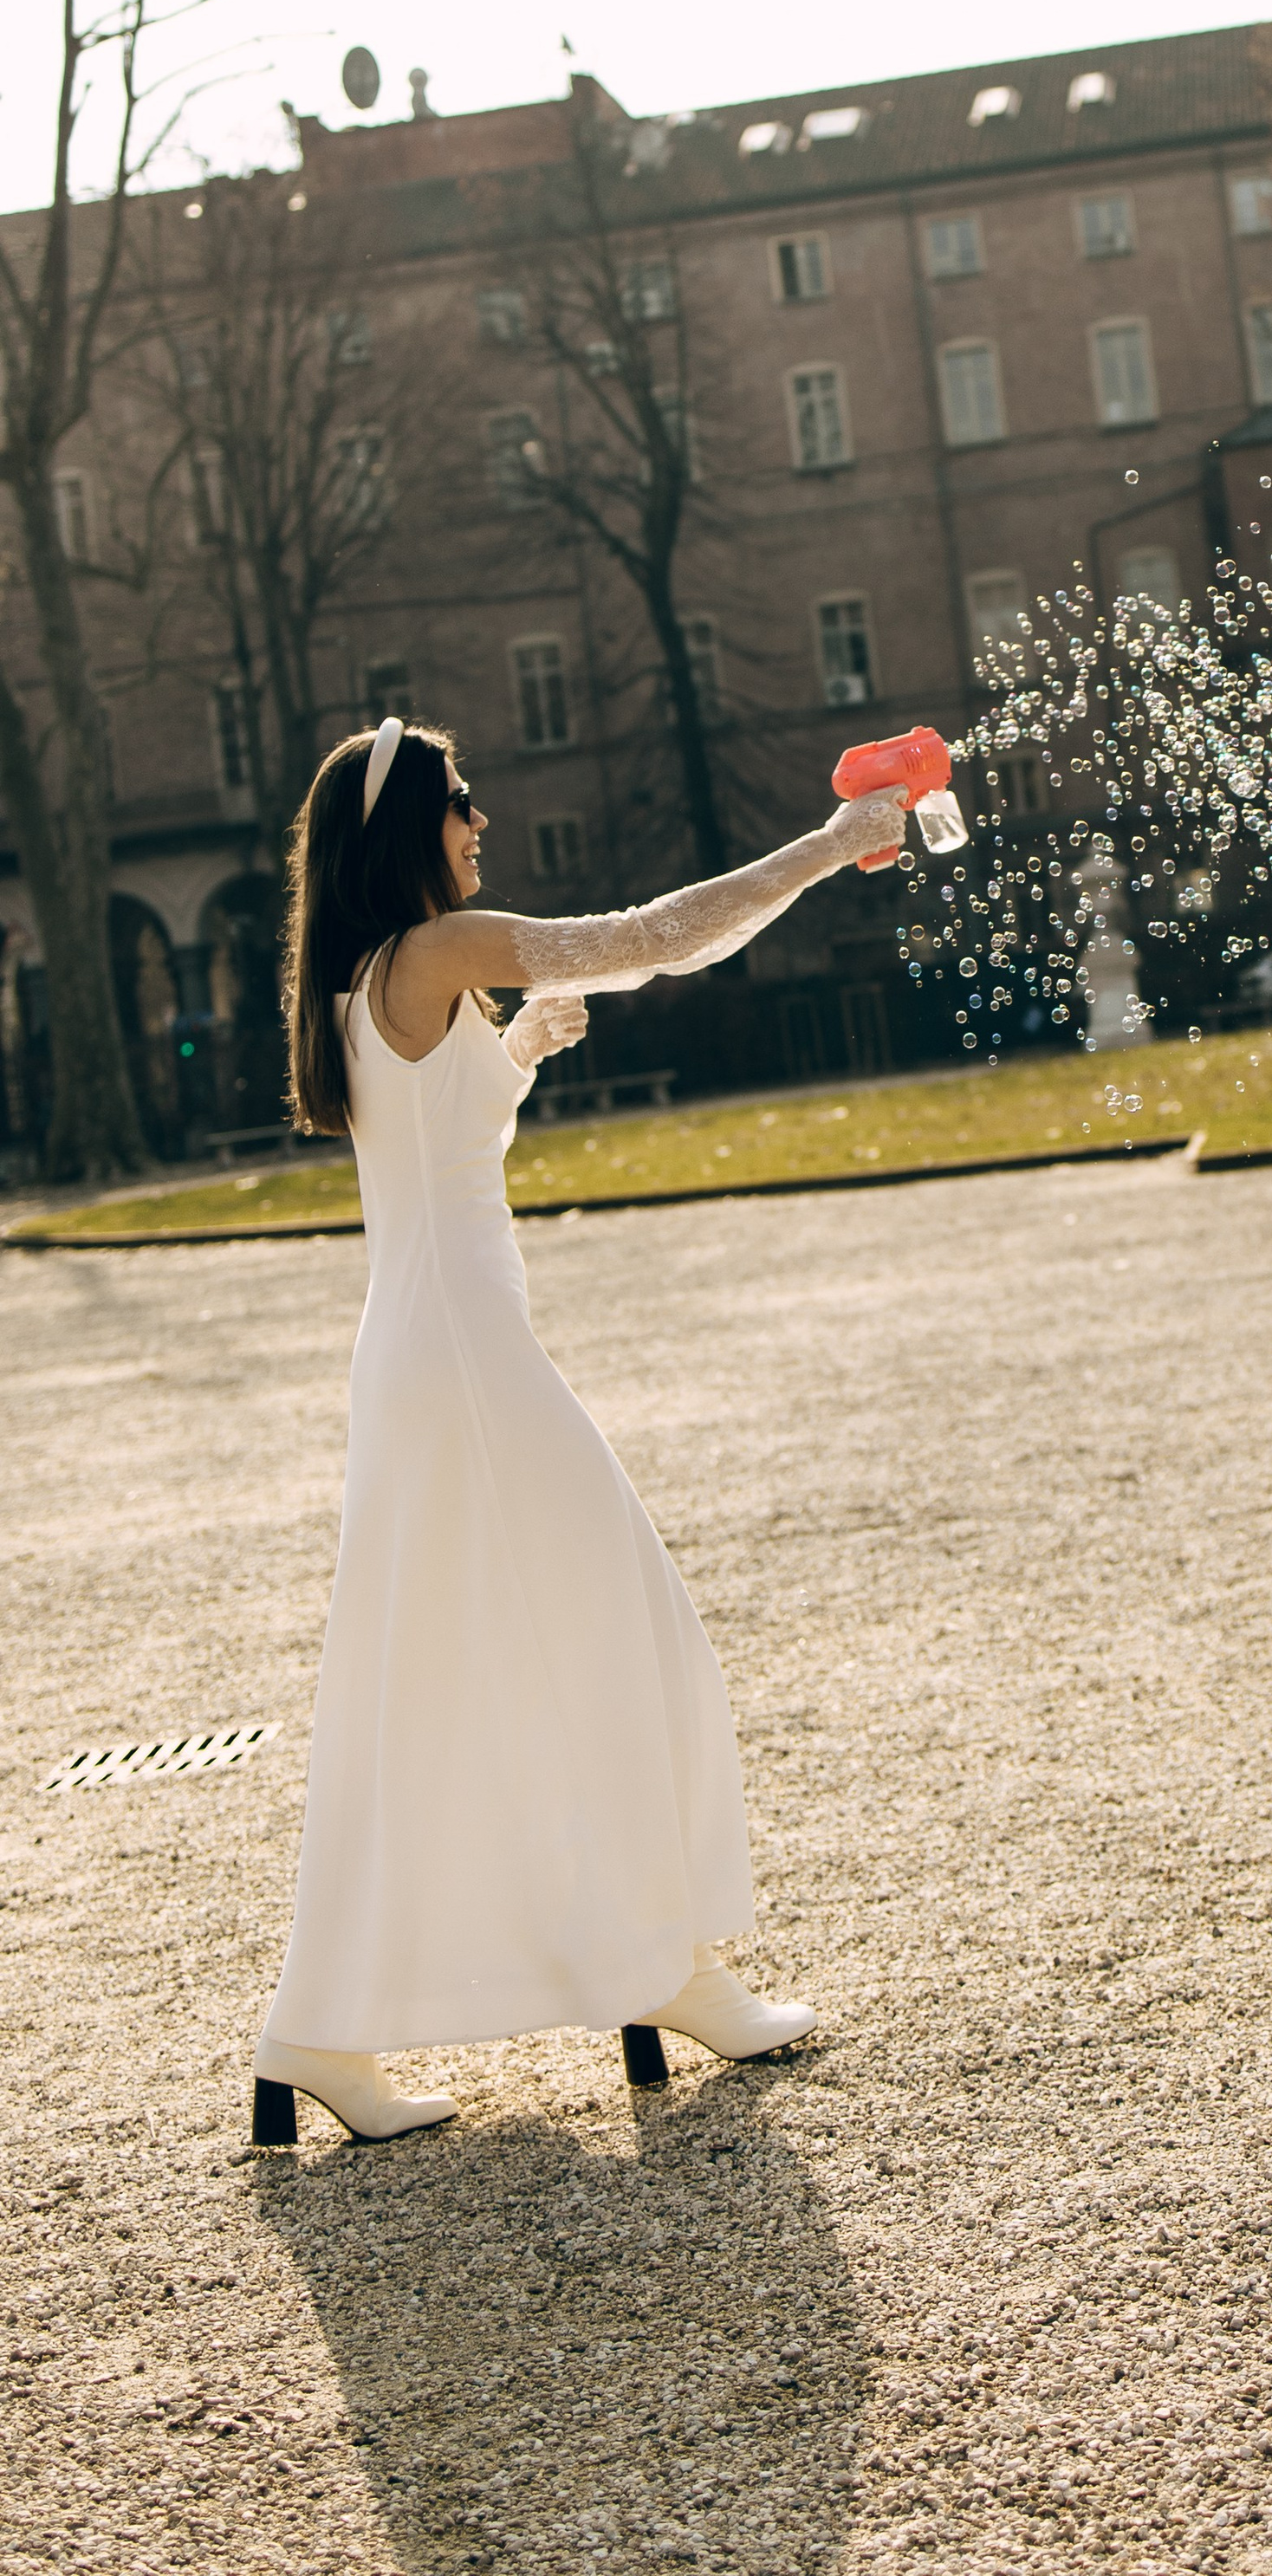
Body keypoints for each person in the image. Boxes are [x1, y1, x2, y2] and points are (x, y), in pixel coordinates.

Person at [250, 716, 908, 2146]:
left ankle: (321, 2028)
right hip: (469, 1366)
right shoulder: (434, 954)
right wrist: (835, 846)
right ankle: (663, 1964)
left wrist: (523, 1054)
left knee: (421, 1685)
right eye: (460, 801)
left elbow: (440, 1151)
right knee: (633, 1631)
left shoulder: (383, 979)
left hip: (432, 1359)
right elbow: (657, 932)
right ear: (406, 827)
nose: (479, 820)